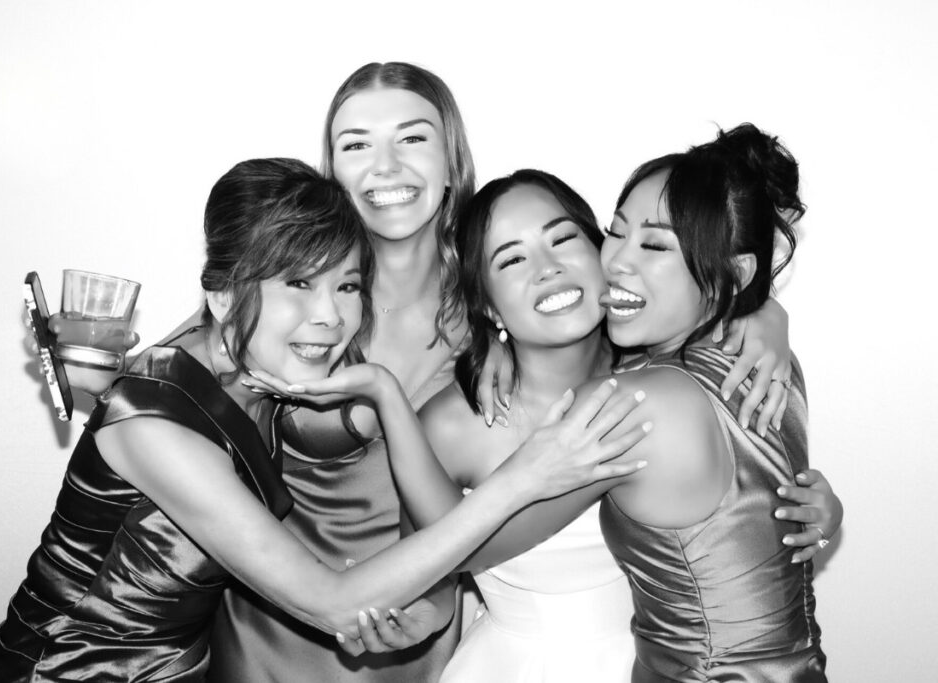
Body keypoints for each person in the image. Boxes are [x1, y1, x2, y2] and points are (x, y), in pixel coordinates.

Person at [41, 63, 817, 681]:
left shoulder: (495, 302)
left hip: (429, 634)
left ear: (452, 161)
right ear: (332, 170)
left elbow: (642, 288)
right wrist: (98, 379)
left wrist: (753, 312)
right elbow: (187, 368)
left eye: (412, 137)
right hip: (277, 628)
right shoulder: (302, 305)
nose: (386, 165)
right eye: (355, 144)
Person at [0, 158, 651, 683]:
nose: (330, 315)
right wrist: (527, 473)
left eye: (348, 285)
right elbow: (330, 600)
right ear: (219, 293)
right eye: (299, 283)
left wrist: (759, 315)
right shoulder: (151, 423)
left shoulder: (272, 379)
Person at [593, 124, 828, 680]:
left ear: (735, 271)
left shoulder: (637, 402)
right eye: (615, 232)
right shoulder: (771, 365)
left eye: (653, 244)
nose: (615, 261)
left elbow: (492, 534)